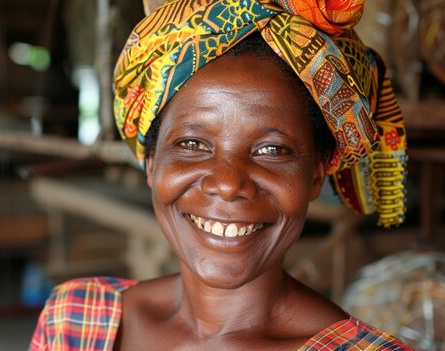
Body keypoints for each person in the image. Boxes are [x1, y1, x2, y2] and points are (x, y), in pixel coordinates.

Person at [29, 0, 411, 350]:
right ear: (151, 162)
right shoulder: (74, 322)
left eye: (272, 150)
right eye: (192, 144)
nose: (228, 184)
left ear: (316, 174)